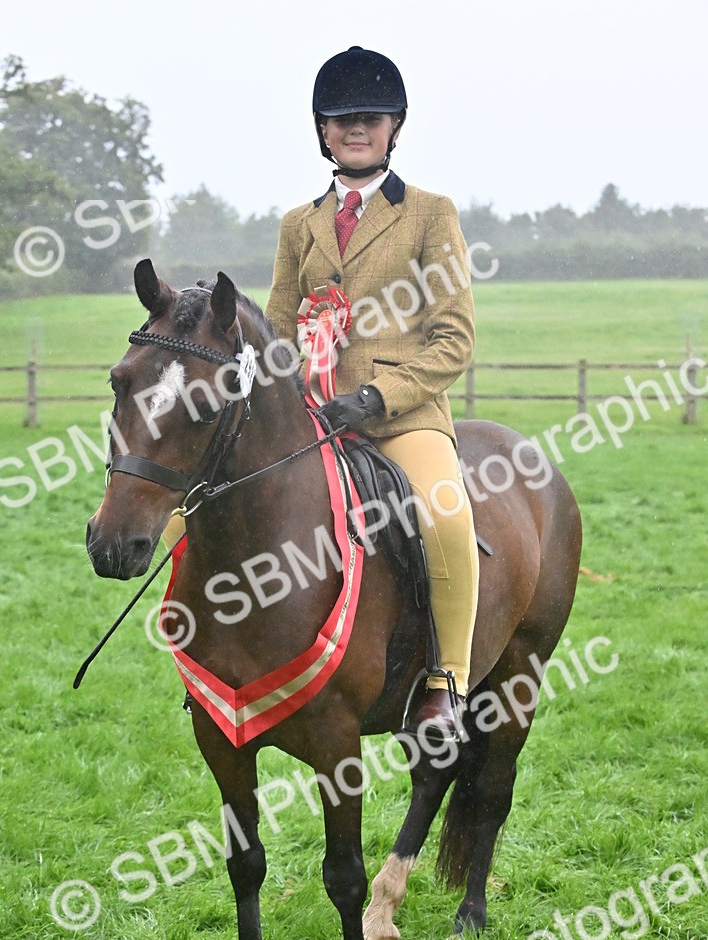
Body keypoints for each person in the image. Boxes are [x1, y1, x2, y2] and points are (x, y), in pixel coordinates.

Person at [265, 45, 479, 741]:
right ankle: (224, 660)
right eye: (342, 119)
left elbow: (453, 338)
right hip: (313, 415)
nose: (356, 129)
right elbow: (276, 323)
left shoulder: (430, 214)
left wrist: (378, 398)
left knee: (446, 518)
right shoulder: (299, 223)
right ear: (322, 131)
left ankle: (446, 680)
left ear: (394, 127)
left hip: (401, 418)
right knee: (203, 503)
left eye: (370, 118)